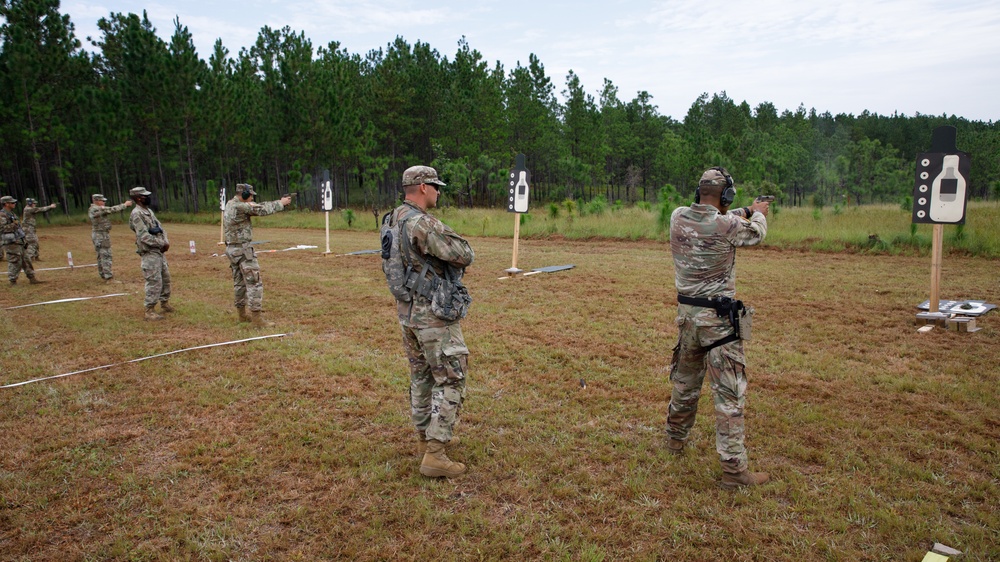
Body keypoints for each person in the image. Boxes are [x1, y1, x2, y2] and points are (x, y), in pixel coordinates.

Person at [666, 166, 771, 488]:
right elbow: (755, 233)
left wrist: (746, 210)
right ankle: (734, 472)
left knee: (685, 383)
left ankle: (674, 440)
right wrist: (760, 214)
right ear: (725, 196)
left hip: (688, 319)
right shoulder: (729, 225)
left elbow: (715, 218)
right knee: (728, 396)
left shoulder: (678, 216)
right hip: (719, 325)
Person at [382, 165, 475, 478]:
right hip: (432, 314)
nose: (438, 191)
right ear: (422, 187)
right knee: (452, 376)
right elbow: (463, 253)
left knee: (421, 375)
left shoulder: (393, 218)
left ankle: (424, 440)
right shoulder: (422, 223)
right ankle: (435, 453)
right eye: (435, 186)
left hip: (407, 312)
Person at [223, 184, 291, 326]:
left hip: (232, 249)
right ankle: (257, 319)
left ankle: (242, 315)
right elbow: (262, 209)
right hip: (243, 250)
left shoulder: (231, 204)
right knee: (254, 282)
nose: (252, 197)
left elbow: (256, 205)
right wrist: (281, 203)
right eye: (251, 195)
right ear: (245, 194)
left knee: (239, 283)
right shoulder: (240, 207)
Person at [128, 187, 172, 320]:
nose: (147, 197)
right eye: (144, 196)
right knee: (154, 281)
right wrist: (161, 244)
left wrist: (165, 241)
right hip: (149, 252)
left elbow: (161, 228)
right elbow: (143, 236)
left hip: (159, 252)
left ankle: (165, 303)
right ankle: (149, 310)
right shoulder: (136, 214)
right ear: (137, 198)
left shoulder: (149, 211)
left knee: (165, 279)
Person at [88, 194, 133, 281]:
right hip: (101, 235)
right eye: (102, 201)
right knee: (105, 255)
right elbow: (111, 209)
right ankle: (108, 276)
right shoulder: (95, 209)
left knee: (101, 255)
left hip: (100, 234)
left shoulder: (95, 209)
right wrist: (125, 205)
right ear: (97, 201)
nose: (104, 202)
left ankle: (103, 274)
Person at [1, 195, 42, 285]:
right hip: (10, 242)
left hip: (19, 240)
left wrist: (23, 239)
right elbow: (2, 229)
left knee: (26, 259)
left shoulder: (12, 214)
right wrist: (14, 225)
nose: (14, 204)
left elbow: (18, 227)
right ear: (6, 204)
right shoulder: (2, 215)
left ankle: (32, 278)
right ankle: (13, 280)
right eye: (12, 202)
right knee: (15, 261)